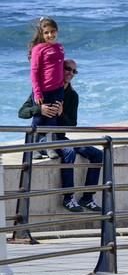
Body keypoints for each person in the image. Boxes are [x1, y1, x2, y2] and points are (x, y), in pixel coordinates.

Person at [19, 59, 103, 213]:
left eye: (74, 71)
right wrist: (39, 109)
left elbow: (72, 124)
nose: (70, 73)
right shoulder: (44, 90)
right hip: (43, 140)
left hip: (60, 138)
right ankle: (68, 198)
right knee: (69, 152)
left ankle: (88, 197)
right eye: (67, 69)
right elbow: (22, 112)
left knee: (98, 154)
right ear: (58, 69)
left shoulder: (72, 95)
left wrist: (61, 113)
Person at [28, 17, 65, 127]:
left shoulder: (60, 47)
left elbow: (60, 68)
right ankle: (32, 143)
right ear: (42, 34)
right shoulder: (38, 49)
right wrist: (37, 93)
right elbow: (34, 72)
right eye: (46, 33)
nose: (50, 35)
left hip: (58, 91)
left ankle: (50, 143)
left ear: (57, 31)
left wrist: (62, 92)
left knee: (52, 121)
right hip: (44, 92)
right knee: (38, 122)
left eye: (52, 31)